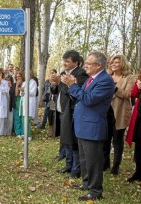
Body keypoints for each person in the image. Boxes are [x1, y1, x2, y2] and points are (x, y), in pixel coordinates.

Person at [61, 51, 114, 201]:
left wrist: (73, 86)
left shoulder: (105, 80)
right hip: (83, 125)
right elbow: (80, 98)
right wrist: (74, 86)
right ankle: (86, 184)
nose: (85, 66)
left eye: (89, 64)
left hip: (93, 127)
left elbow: (89, 99)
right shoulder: (91, 79)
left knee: (93, 161)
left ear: (98, 65)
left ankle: (95, 191)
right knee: (84, 159)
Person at [51, 50, 89, 178]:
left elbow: (76, 93)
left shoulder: (81, 74)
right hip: (62, 111)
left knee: (73, 141)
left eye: (67, 61)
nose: (64, 63)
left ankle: (75, 170)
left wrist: (64, 82)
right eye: (64, 61)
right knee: (65, 140)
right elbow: (57, 91)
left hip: (72, 112)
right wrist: (54, 83)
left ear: (76, 62)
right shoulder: (62, 74)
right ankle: (68, 166)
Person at [106, 55, 135, 175]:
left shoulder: (128, 78)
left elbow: (128, 94)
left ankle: (115, 167)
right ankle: (105, 164)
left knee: (117, 141)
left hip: (120, 112)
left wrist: (114, 88)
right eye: (112, 62)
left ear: (122, 64)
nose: (114, 64)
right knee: (105, 140)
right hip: (106, 112)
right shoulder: (108, 77)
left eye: (117, 62)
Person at [126, 76, 141, 182]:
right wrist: (139, 88)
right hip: (139, 115)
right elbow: (134, 93)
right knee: (139, 144)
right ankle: (138, 172)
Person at [19, 70, 37, 141]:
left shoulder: (33, 82)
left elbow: (33, 93)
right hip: (24, 102)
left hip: (30, 102)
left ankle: (28, 135)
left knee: (27, 119)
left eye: (28, 74)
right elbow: (21, 93)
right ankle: (24, 133)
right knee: (23, 119)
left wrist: (24, 90)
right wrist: (22, 91)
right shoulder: (24, 82)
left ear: (31, 75)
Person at [11, 71, 25, 137]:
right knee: (17, 117)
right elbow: (16, 94)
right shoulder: (14, 84)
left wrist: (22, 89)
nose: (18, 78)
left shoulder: (25, 83)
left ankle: (23, 132)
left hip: (23, 101)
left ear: (22, 77)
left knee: (22, 117)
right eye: (17, 77)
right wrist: (17, 85)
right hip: (17, 101)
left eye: (19, 76)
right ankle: (18, 132)